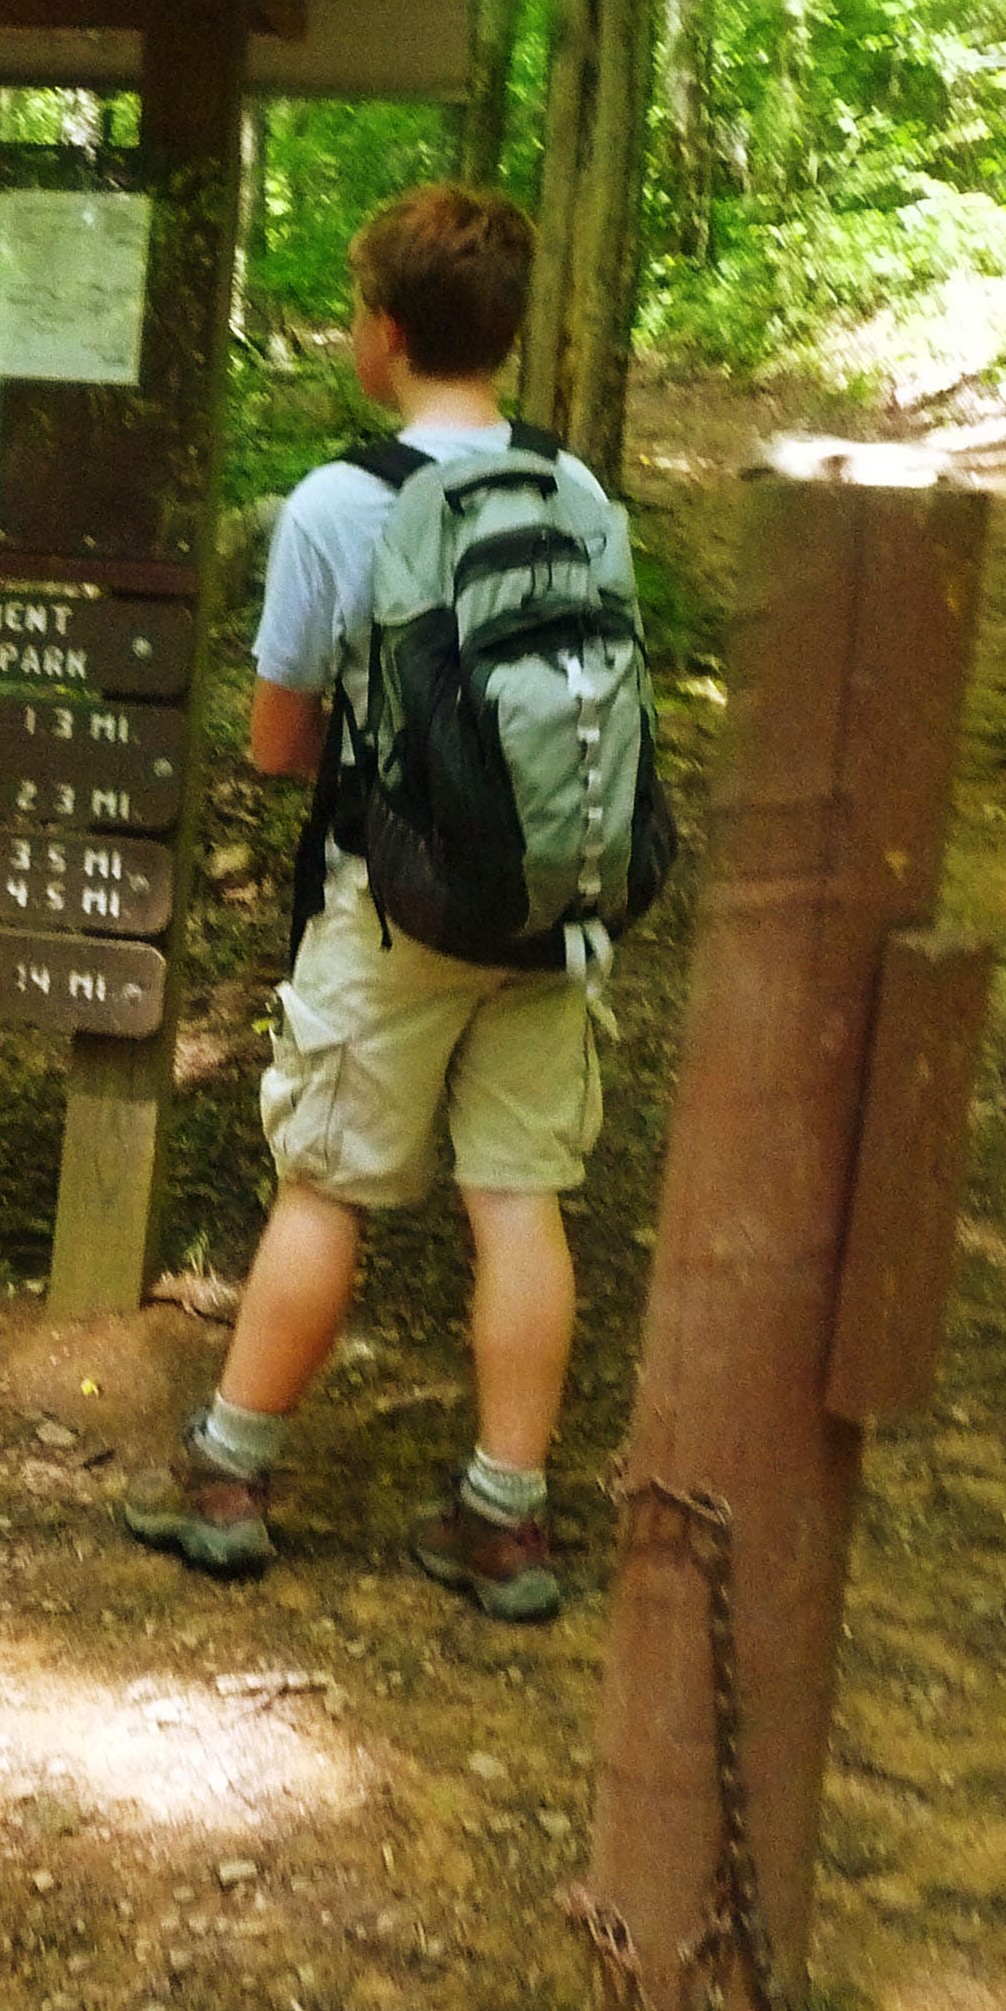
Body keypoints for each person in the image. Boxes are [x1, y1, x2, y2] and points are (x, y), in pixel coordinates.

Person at [122, 182, 628, 1623]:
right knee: (520, 1200)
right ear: (506, 336)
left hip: (394, 901)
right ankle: (504, 1520)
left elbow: (279, 746)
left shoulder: (342, 505)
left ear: (385, 333)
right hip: (550, 904)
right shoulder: (575, 491)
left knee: (327, 1181)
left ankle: (227, 1478)